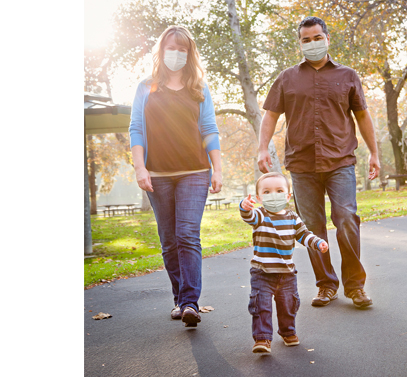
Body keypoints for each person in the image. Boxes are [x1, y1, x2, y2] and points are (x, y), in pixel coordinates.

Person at [257, 16, 380, 309]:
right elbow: (271, 115)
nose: (311, 43)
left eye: (316, 38)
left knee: (346, 219)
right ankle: (326, 285)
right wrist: (263, 148)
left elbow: (362, 115)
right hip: (301, 165)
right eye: (305, 39)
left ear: (326, 38)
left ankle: (355, 286)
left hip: (340, 161)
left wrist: (374, 153)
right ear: (299, 43)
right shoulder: (287, 78)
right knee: (312, 228)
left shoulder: (348, 75)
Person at [128, 25, 222, 327]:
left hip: (195, 171)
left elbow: (209, 130)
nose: (177, 54)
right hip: (157, 174)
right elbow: (136, 130)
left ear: (189, 53)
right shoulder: (146, 87)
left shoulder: (199, 88)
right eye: (172, 48)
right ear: (161, 50)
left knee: (186, 234)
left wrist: (217, 168)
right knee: (169, 240)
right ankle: (179, 299)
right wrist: (140, 167)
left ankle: (190, 302)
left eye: (183, 50)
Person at [240, 172, 329, 353]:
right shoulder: (260, 215)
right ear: (259, 197)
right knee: (261, 306)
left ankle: (288, 331)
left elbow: (304, 235)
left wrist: (317, 242)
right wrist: (244, 207)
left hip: (286, 273)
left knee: (288, 305)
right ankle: (263, 339)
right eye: (267, 192)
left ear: (288, 195)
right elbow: (248, 216)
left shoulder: (292, 217)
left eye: (279, 190)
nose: (273, 195)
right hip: (262, 273)